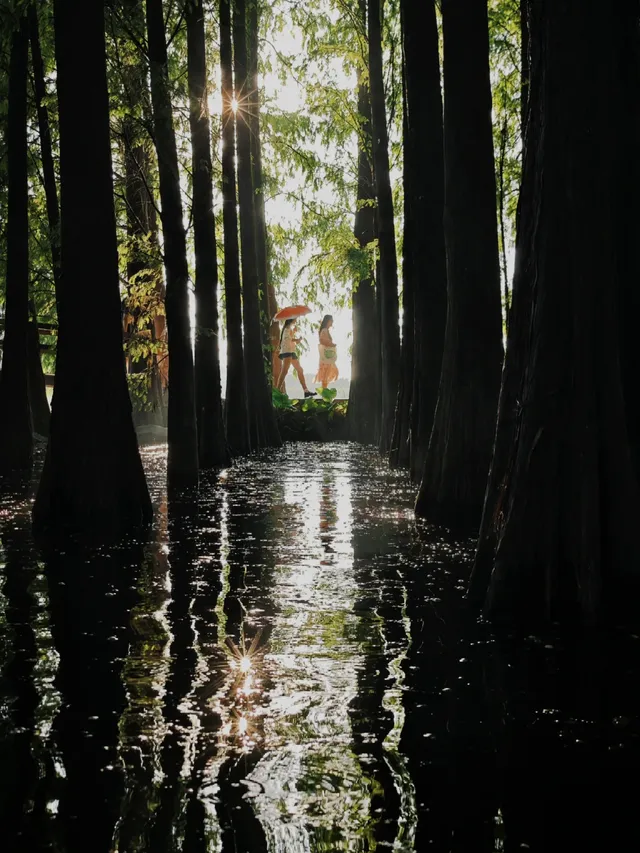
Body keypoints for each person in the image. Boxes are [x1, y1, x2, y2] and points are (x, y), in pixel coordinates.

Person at [277, 318, 316, 397]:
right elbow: (288, 339)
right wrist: (295, 336)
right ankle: (277, 390)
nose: (296, 320)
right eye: (295, 319)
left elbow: (291, 340)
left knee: (300, 369)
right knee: (284, 371)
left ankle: (306, 391)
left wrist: (296, 338)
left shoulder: (289, 329)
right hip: (287, 352)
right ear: (291, 320)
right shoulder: (287, 329)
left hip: (291, 351)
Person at [315, 315, 339, 390]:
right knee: (326, 374)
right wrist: (331, 344)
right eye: (331, 320)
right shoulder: (324, 330)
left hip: (327, 356)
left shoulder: (325, 330)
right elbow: (321, 340)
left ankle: (324, 391)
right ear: (328, 321)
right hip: (326, 356)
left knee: (330, 373)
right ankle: (324, 392)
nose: (332, 322)